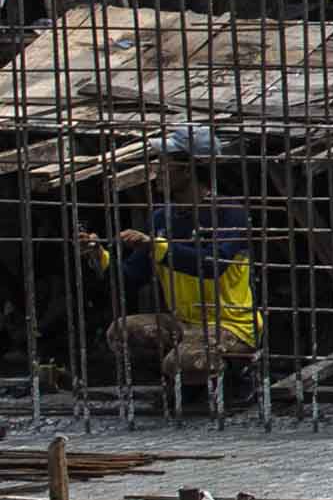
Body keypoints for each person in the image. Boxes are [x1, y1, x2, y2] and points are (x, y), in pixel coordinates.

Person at [76, 126, 261, 397]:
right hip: (183, 321)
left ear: (188, 169)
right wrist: (98, 255)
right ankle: (183, 383)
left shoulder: (230, 214)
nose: (158, 170)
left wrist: (156, 246)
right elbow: (130, 277)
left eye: (166, 163)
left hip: (231, 324)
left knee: (184, 362)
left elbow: (213, 264)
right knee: (121, 332)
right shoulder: (163, 218)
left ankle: (236, 375)